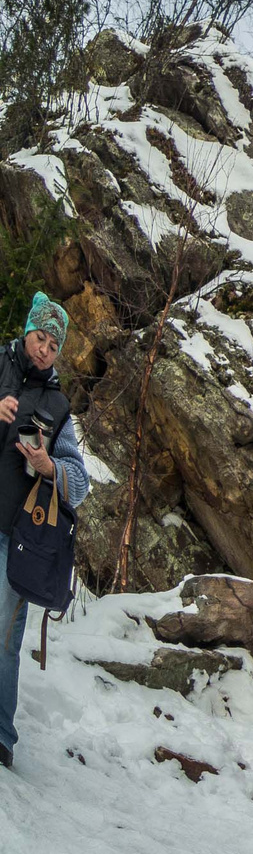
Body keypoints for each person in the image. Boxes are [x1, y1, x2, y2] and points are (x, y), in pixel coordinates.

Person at [0, 293, 89, 774]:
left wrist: (49, 465)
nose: (44, 350)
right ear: (26, 330)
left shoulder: (58, 405)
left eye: (54, 345)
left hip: (15, 539)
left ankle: (1, 735)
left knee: (5, 639)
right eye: (40, 338)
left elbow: (81, 482)